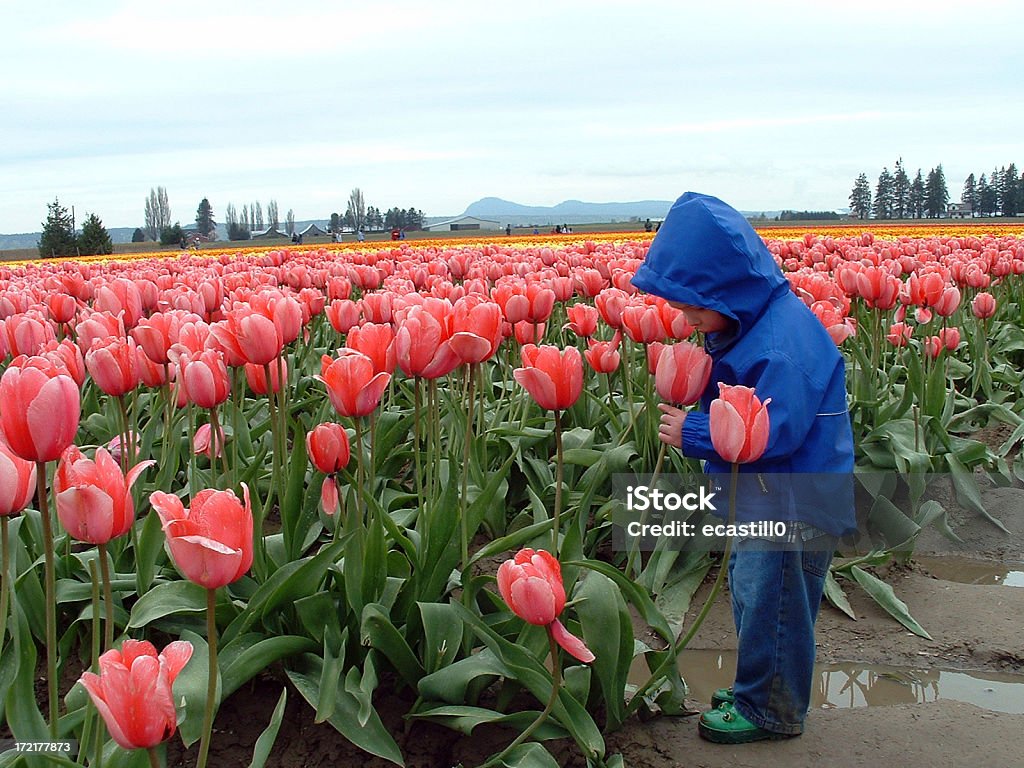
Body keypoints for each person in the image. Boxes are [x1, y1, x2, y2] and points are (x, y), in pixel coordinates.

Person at [630, 192, 856, 744]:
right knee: (755, 594)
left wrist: (696, 431)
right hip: (767, 497)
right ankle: (763, 685)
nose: (685, 318)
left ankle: (769, 711)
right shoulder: (749, 324)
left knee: (774, 604)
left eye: (692, 306)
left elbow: (773, 428)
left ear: (726, 288)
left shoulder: (780, 346)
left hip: (794, 503)